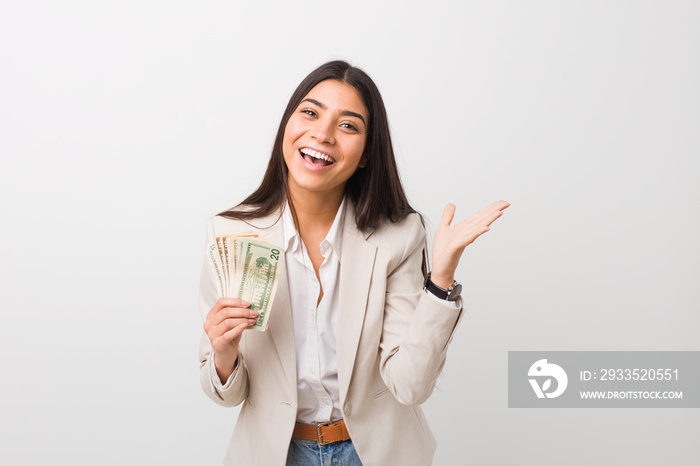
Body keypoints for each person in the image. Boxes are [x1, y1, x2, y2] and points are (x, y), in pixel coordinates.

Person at [198, 60, 509, 466]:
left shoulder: (398, 236)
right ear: (286, 129)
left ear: (365, 155)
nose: (322, 134)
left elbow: (409, 386)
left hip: (376, 453)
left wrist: (441, 278)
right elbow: (226, 393)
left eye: (348, 125)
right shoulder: (229, 234)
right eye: (310, 112)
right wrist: (224, 355)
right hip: (276, 454)